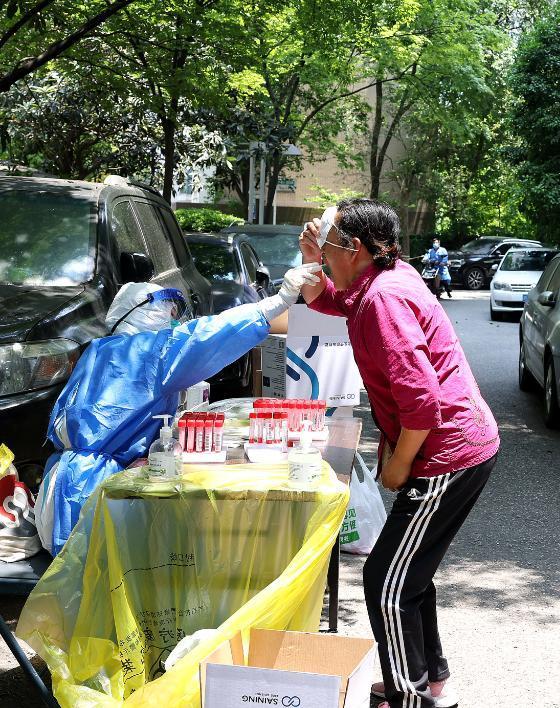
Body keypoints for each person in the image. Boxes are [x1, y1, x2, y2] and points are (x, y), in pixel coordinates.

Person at [298, 199, 499, 708]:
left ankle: (410, 696)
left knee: (386, 579)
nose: (325, 255)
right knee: (409, 571)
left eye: (328, 246)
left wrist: (398, 464)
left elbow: (422, 400)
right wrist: (313, 262)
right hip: (459, 446)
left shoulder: (383, 298)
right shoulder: (382, 279)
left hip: (447, 454)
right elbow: (332, 301)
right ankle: (428, 680)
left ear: (354, 248)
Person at [36, 266, 320, 556]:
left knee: (75, 572)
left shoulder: (101, 349)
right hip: (96, 490)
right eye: (167, 314)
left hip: (66, 482)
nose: (172, 322)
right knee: (100, 572)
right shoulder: (148, 353)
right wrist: (276, 302)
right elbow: (206, 336)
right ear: (145, 313)